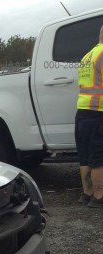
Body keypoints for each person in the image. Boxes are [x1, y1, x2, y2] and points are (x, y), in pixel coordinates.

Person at [76, 25, 103, 208]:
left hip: (82, 111)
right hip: (98, 111)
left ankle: (87, 194)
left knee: (85, 156)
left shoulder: (88, 55)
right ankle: (99, 198)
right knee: (98, 158)